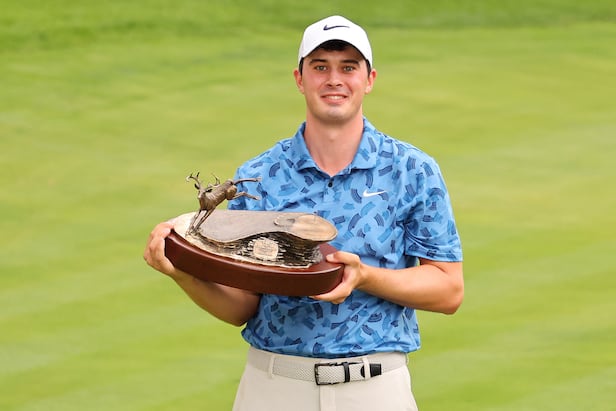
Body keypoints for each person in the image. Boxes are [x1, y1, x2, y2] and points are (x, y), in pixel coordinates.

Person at [144, 15, 463, 411]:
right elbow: (242, 305)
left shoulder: (412, 170)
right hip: (274, 386)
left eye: (348, 67)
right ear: (299, 79)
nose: (334, 79)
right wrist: (182, 273)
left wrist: (364, 277)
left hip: (375, 388)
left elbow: (448, 290)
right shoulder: (260, 176)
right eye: (320, 67)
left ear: (369, 79)